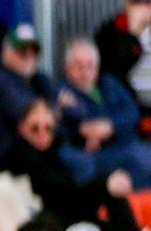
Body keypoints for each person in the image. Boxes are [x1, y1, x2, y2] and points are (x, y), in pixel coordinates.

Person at [0, 99, 140, 231]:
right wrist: (104, 184)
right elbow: (58, 192)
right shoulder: (20, 155)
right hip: (46, 222)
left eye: (48, 128)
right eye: (35, 128)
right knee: (110, 191)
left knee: (114, 194)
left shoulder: (53, 150)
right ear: (22, 128)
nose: (43, 134)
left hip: (66, 212)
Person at [57, 39, 151, 188]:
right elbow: (69, 124)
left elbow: (133, 111)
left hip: (130, 144)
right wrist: (86, 129)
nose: (85, 72)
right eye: (79, 66)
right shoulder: (61, 92)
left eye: (90, 66)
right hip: (99, 153)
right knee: (139, 160)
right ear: (67, 68)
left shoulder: (108, 82)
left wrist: (110, 125)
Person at [0, 23, 57, 157]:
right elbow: (30, 117)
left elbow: (70, 108)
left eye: (34, 51)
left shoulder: (38, 78)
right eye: (22, 51)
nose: (29, 56)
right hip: (10, 153)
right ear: (6, 52)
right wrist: (58, 112)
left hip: (39, 147)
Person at [93, 0, 151, 111]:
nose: (145, 6)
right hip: (128, 107)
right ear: (126, 1)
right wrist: (133, 31)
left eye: (148, 0)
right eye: (138, 0)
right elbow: (112, 72)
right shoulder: (110, 31)